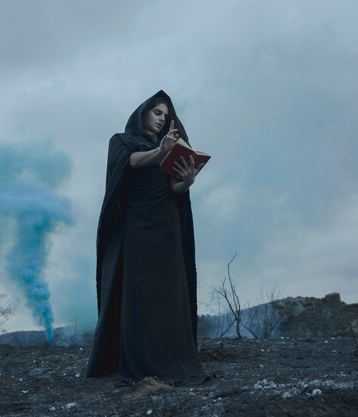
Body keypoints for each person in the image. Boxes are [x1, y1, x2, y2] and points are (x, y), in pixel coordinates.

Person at [86, 90, 206, 385]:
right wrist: (160, 151)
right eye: (157, 113)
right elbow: (132, 163)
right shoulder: (122, 141)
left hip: (168, 230)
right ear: (142, 113)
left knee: (169, 296)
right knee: (140, 296)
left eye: (166, 116)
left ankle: (171, 358)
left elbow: (173, 191)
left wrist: (186, 181)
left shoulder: (168, 148)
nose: (162, 119)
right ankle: (139, 363)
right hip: (137, 230)